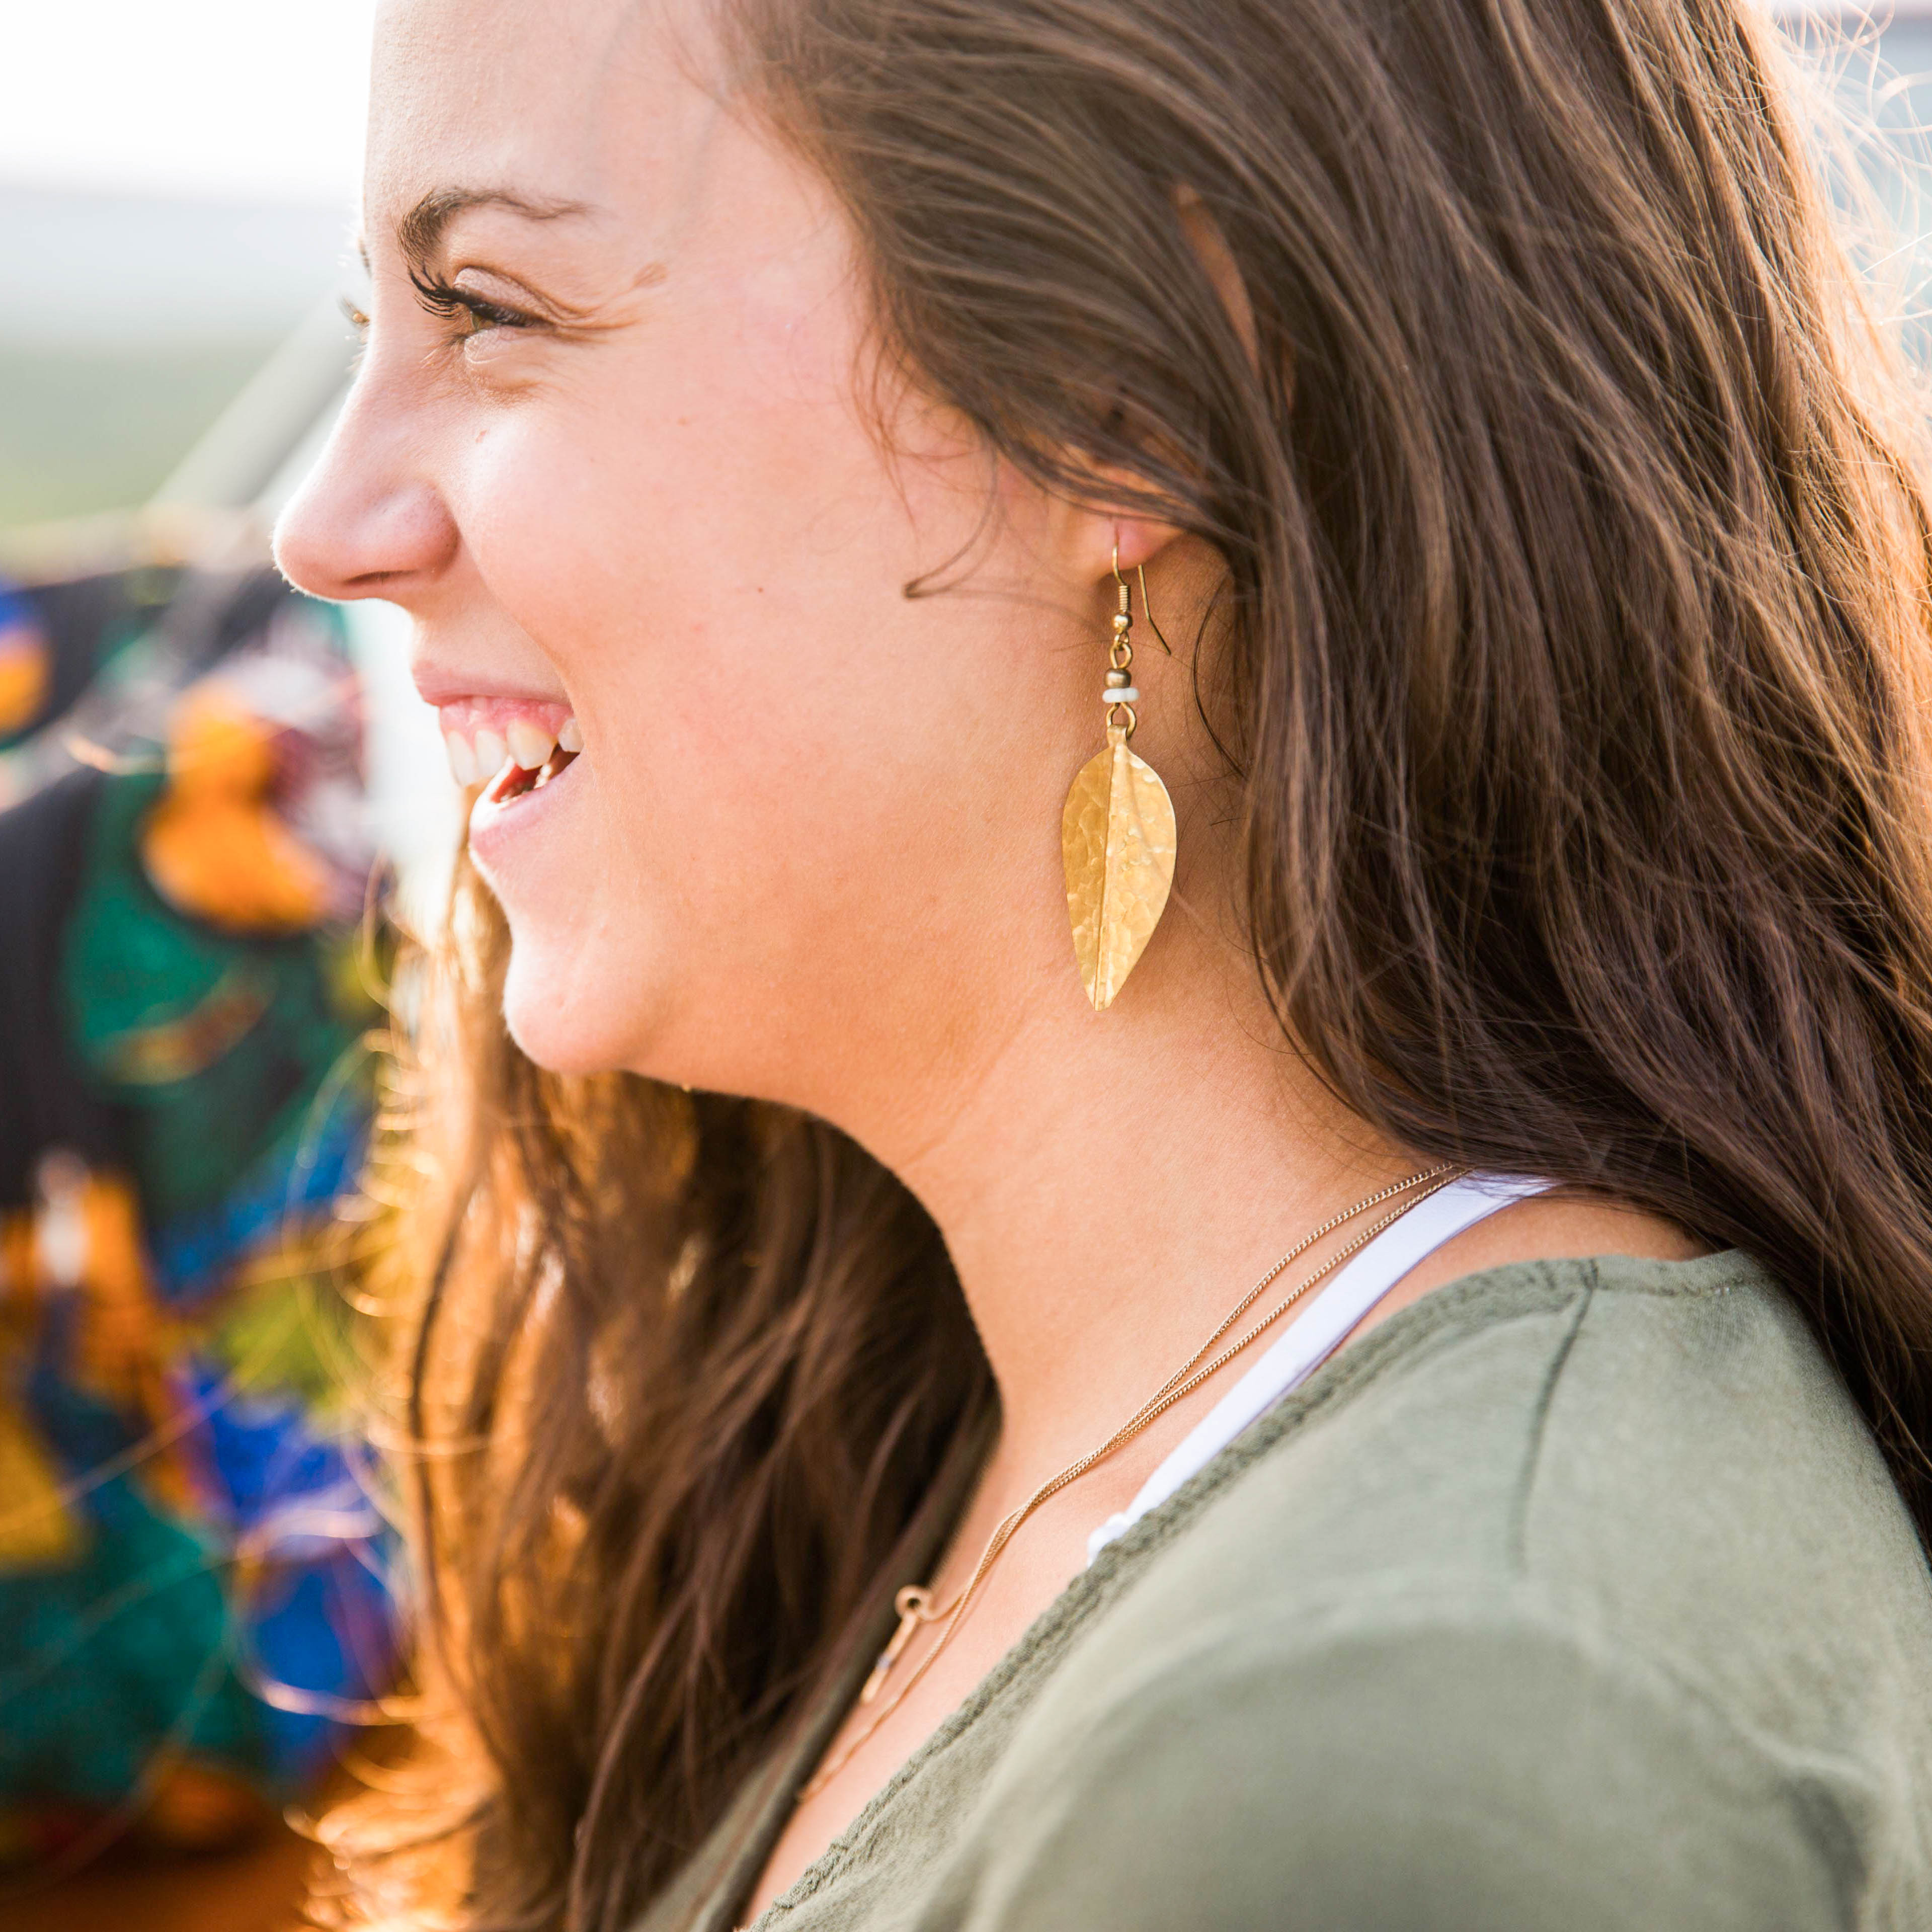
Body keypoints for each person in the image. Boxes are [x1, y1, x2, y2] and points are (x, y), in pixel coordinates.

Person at [274, 0, 1932, 1924]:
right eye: (365, 333)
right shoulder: (946, 1423)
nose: (326, 529)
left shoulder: (1402, 1759)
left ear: (1118, 396)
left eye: (489, 310)